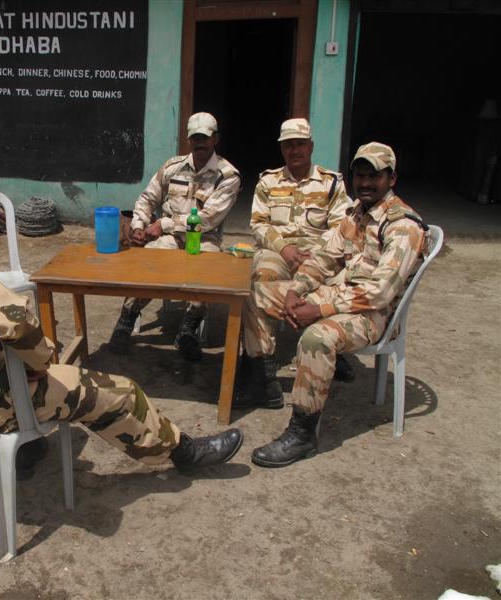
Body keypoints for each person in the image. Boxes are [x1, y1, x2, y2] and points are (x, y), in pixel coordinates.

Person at [0, 145, 243, 479]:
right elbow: (14, 319)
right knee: (122, 392)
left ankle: (26, 449)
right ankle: (182, 452)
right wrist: (41, 361)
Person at [241, 142, 427, 467]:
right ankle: (263, 381)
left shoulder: (403, 226)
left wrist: (319, 309)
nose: (366, 183)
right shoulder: (357, 213)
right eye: (360, 175)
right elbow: (325, 257)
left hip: (372, 315)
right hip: (340, 295)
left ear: (392, 179)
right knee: (257, 295)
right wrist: (296, 290)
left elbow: (380, 292)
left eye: (375, 177)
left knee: (317, 338)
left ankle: (302, 433)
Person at [109, 112, 241, 360]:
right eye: (195, 138)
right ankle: (126, 322)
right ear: (189, 140)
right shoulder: (172, 167)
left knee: (208, 272)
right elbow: (147, 198)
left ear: (216, 139)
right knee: (149, 264)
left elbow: (207, 219)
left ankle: (187, 330)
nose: (200, 143)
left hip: (204, 239)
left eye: (206, 138)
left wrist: (164, 224)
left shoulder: (228, 176)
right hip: (170, 239)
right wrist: (139, 225)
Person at [242, 117, 355, 397]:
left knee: (341, 281)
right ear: (282, 149)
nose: (295, 150)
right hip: (280, 251)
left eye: (300, 144)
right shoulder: (268, 182)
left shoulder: (331, 183)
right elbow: (258, 223)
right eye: (289, 145)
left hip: (321, 253)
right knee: (262, 277)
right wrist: (284, 249)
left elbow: (342, 226)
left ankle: (330, 345)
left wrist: (316, 257)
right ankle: (262, 363)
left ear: (311, 146)